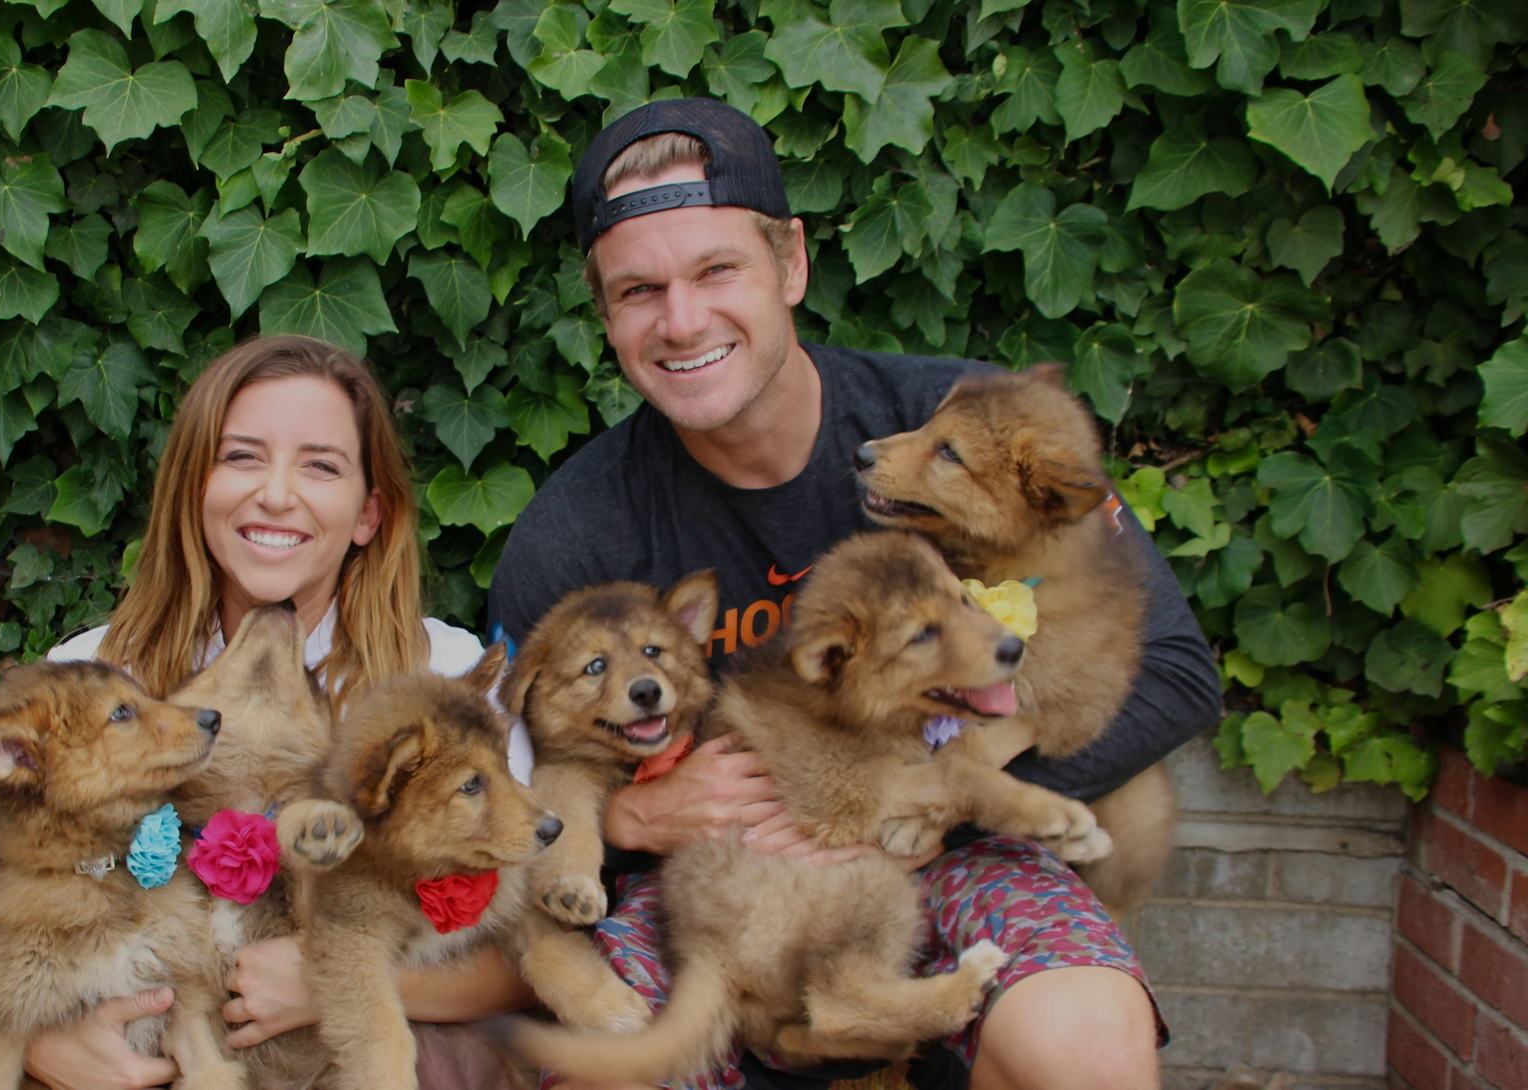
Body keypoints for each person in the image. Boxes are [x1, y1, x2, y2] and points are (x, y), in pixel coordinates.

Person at [485, 98, 1223, 1090]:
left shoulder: (956, 426)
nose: (681, 319)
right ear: (607, 316)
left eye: (716, 270)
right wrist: (630, 823)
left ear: (789, 261)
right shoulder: (572, 534)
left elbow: (1172, 675)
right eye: (638, 290)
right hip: (716, 901)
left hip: (952, 849)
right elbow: (504, 802)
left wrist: (936, 810)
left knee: (1083, 1043)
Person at [26, 334, 536, 1089]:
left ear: (368, 513)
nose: (275, 494)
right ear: (194, 487)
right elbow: (11, 913)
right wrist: (43, 1046)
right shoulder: (92, 677)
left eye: (320, 466)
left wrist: (332, 979)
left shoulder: (449, 678)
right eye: (241, 457)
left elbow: (524, 958)